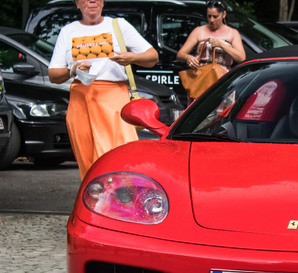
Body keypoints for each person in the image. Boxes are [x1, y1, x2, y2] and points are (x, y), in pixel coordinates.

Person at [48, 0, 158, 180]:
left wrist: (132, 57)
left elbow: (152, 57)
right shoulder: (68, 31)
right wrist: (73, 69)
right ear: (77, 3)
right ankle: (98, 204)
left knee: (120, 160)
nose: (92, 1)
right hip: (80, 103)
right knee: (88, 161)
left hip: (114, 102)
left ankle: (124, 203)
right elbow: (53, 74)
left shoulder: (118, 25)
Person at [176, 0, 245, 103]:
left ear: (224, 14)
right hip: (201, 77)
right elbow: (180, 55)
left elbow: (241, 57)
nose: (212, 20)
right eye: (209, 16)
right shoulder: (199, 31)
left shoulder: (232, 33)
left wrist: (221, 45)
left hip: (222, 78)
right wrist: (188, 58)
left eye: (215, 16)